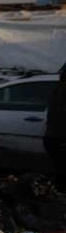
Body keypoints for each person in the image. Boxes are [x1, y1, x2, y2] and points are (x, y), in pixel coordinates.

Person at [44, 62, 66, 192]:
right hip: (60, 136)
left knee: (60, 169)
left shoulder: (59, 87)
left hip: (54, 136)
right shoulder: (62, 89)